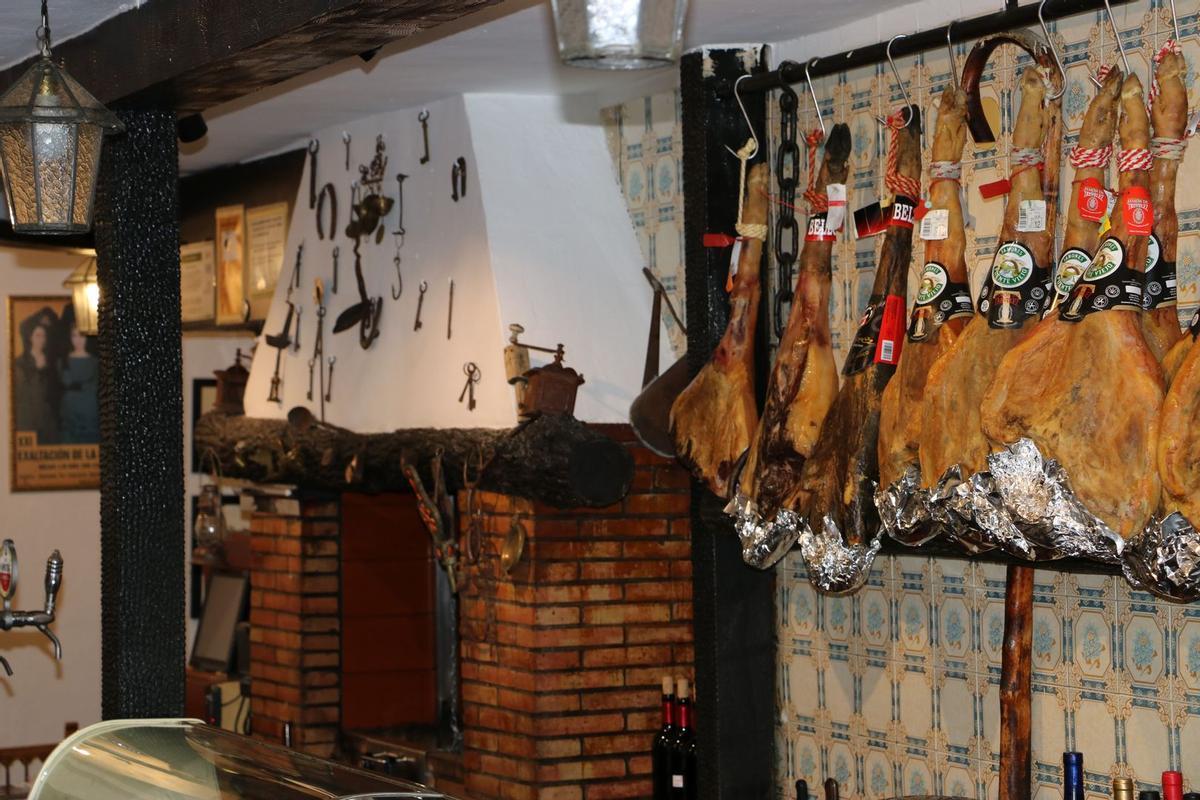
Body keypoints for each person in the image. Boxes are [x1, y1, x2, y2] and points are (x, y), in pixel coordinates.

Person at [13, 306, 62, 445]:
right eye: (37, 336)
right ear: (30, 338)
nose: (41, 340)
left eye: (44, 336)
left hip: (48, 421)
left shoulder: (52, 363)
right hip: (28, 420)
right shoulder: (20, 363)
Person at [58, 303, 98, 444]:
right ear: (70, 337)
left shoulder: (95, 362)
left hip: (91, 418)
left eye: (82, 335)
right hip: (70, 418)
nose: (78, 340)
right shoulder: (62, 362)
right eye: (74, 335)